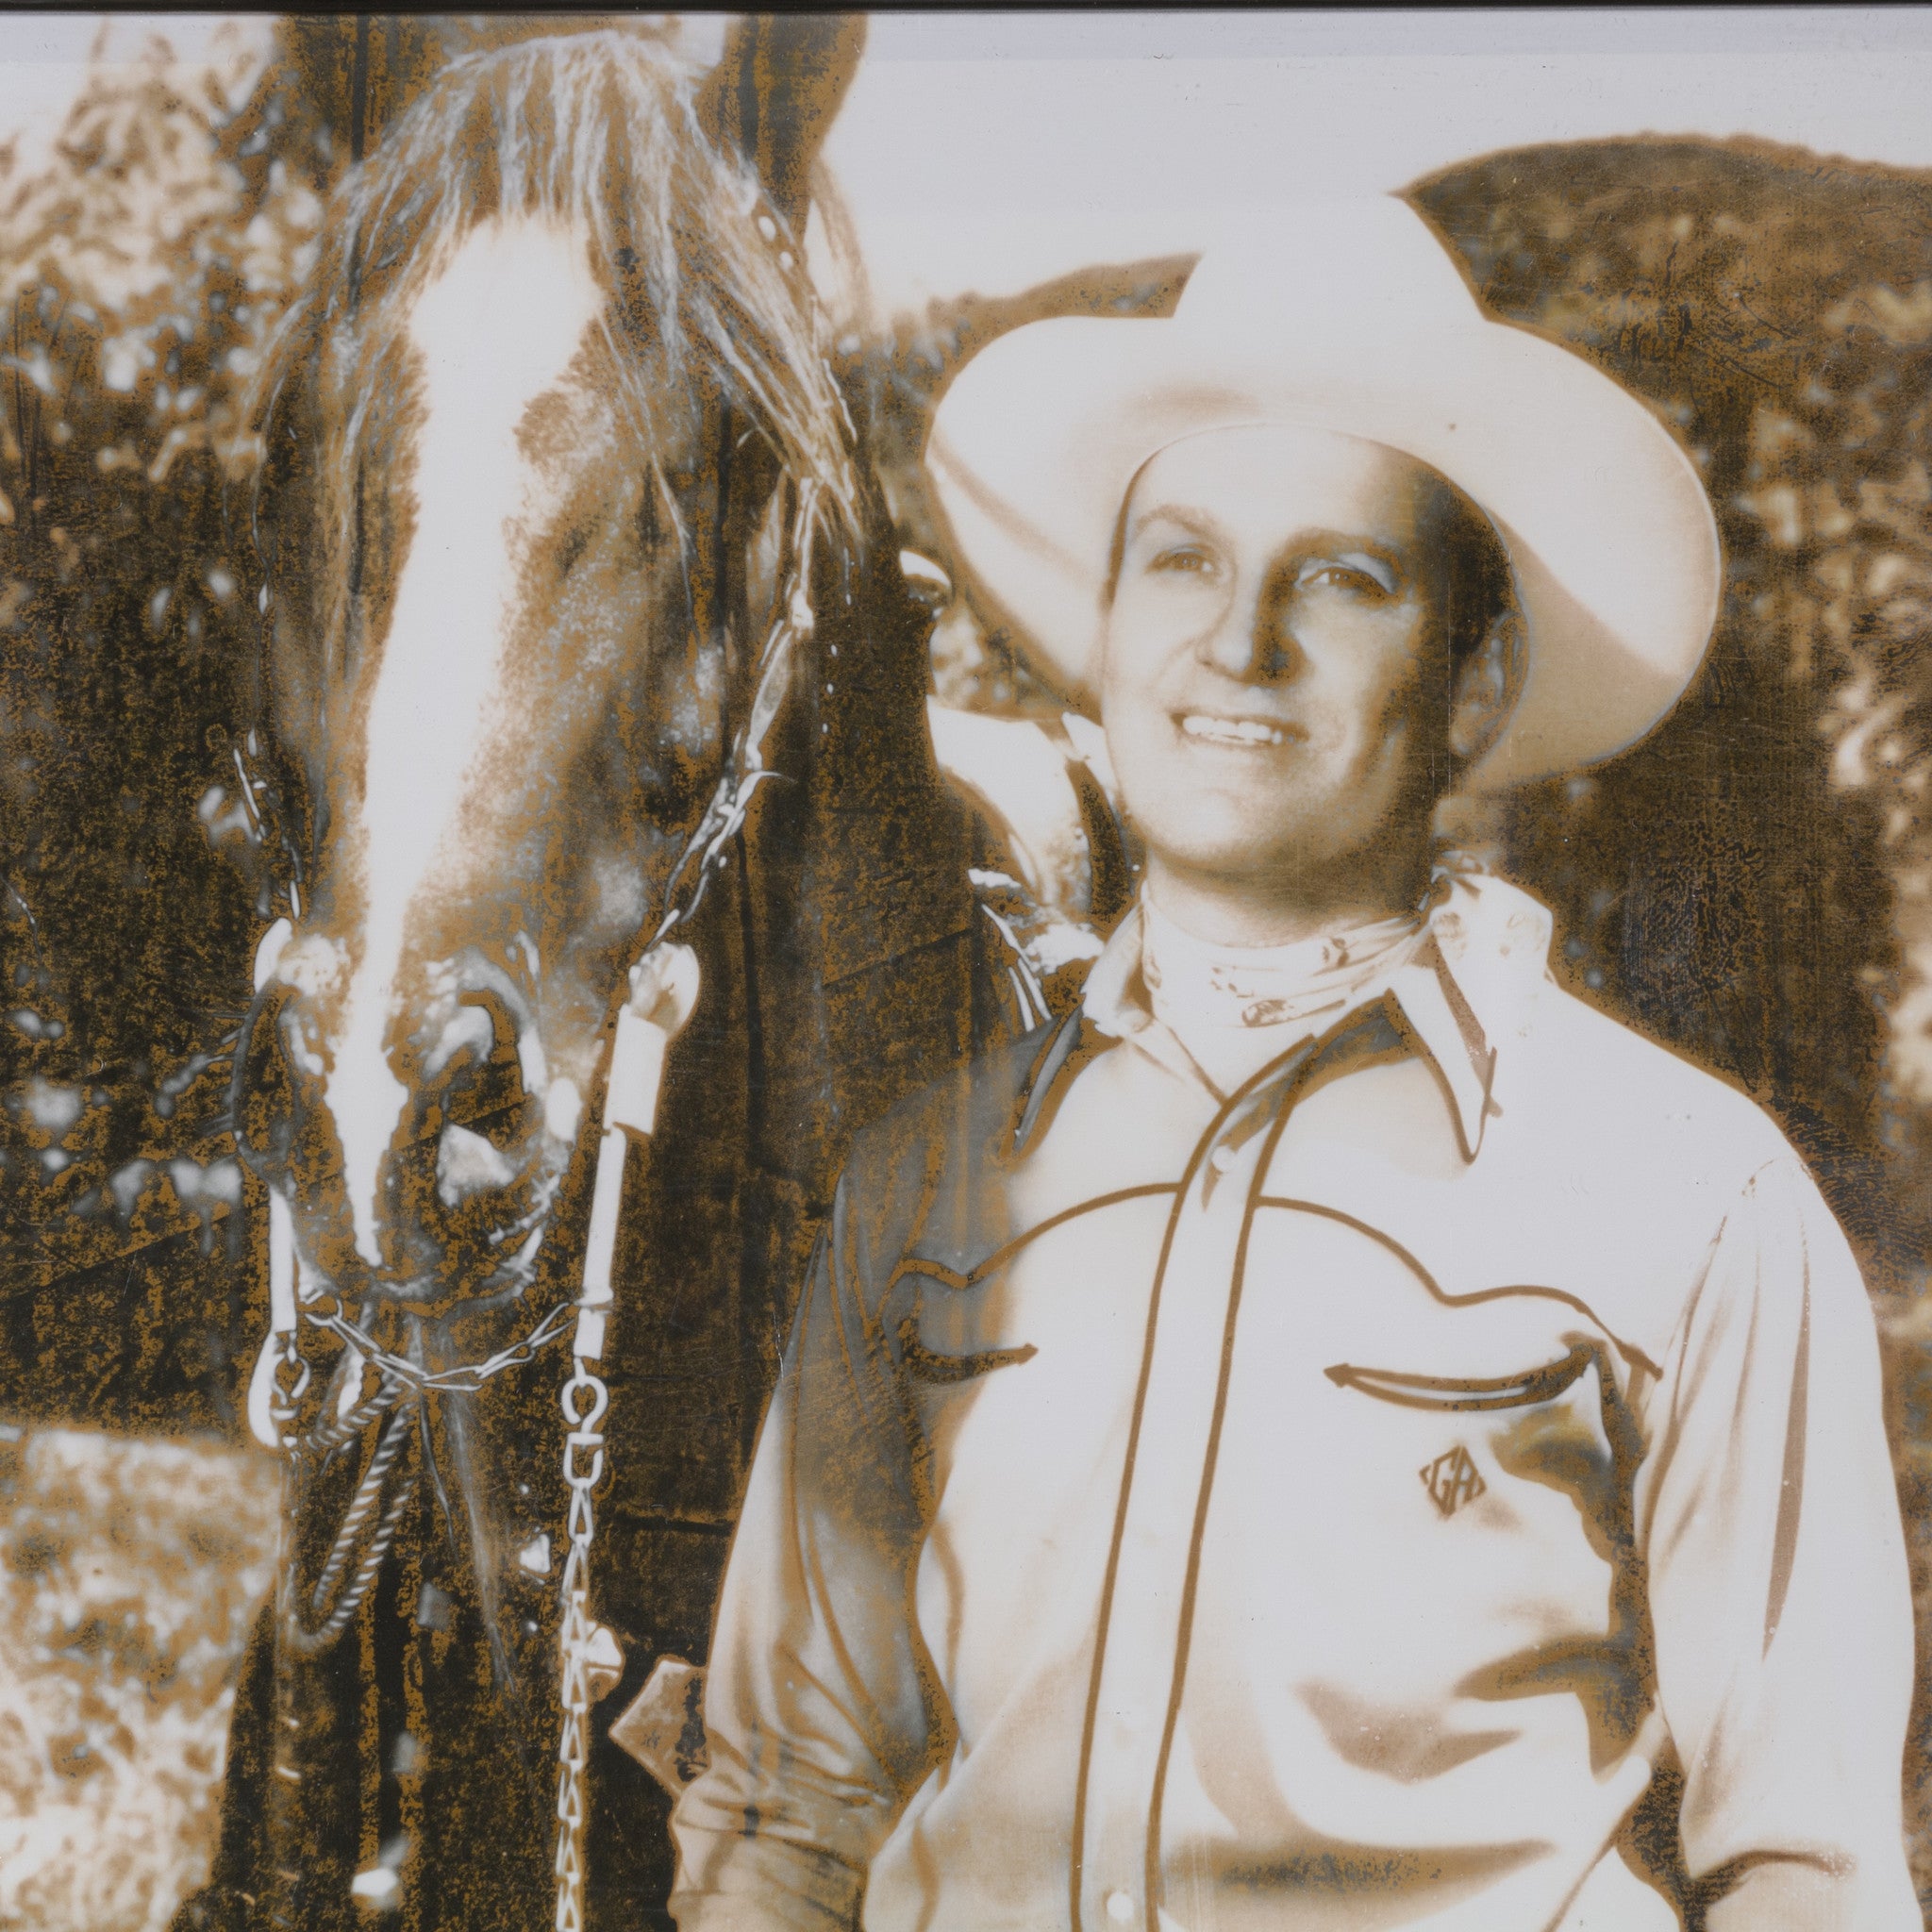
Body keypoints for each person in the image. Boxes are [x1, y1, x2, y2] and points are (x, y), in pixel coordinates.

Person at [665, 199, 1919, 1930]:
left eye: (1340, 578)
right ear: (1105, 644)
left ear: (1472, 685)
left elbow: (1806, 1867)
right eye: (1182, 559)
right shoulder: (929, 1180)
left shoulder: (1694, 1202)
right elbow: (792, 1812)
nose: (1237, 644)